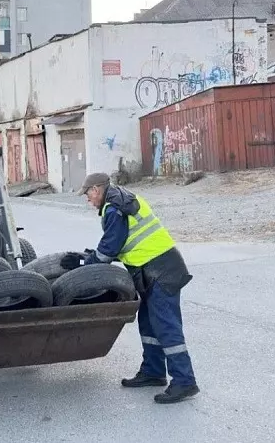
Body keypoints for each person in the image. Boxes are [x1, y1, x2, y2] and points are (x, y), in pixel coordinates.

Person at [63, 172, 199, 404]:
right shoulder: (120, 200)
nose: (87, 200)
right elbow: (121, 245)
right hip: (148, 271)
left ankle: (185, 381)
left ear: (96, 189)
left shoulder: (114, 207)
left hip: (161, 270)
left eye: (87, 194)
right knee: (148, 324)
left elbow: (109, 249)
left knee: (166, 327)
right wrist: (85, 257)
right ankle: (153, 371)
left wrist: (85, 264)